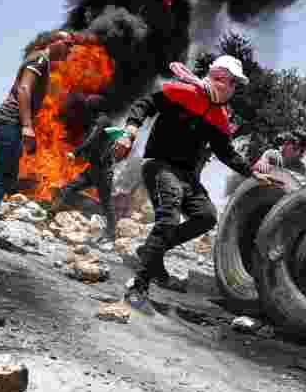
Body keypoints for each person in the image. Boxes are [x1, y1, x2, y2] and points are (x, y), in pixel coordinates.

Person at [117, 55, 276, 305]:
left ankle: (151, 251)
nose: (234, 90)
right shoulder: (182, 91)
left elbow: (226, 152)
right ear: (219, 78)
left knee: (206, 217)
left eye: (236, 85)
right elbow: (145, 103)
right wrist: (130, 132)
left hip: (186, 176)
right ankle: (139, 285)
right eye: (233, 83)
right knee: (169, 217)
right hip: (159, 165)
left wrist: (251, 172)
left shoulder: (219, 116)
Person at [0, 30, 78, 246]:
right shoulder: (39, 58)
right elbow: (24, 88)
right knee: (3, 176)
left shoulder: (42, 61)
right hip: (10, 121)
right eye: (68, 44)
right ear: (53, 42)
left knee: (5, 176)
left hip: (11, 123)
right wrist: (27, 126)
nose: (70, 50)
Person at [53, 95, 118, 241]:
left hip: (102, 171)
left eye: (89, 107)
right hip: (93, 169)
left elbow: (92, 140)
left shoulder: (102, 121)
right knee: (68, 188)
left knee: (106, 203)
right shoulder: (100, 121)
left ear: (94, 107)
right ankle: (55, 213)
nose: (87, 110)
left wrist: (75, 152)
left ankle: (111, 233)